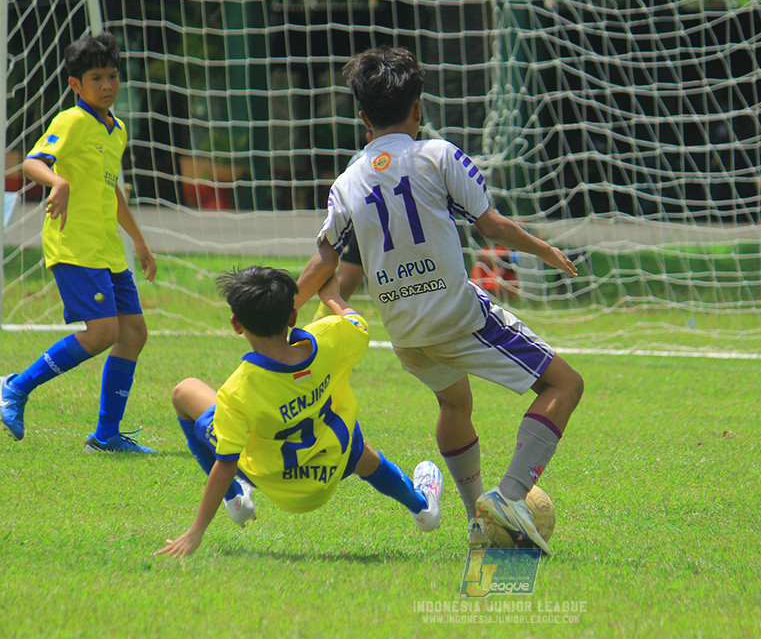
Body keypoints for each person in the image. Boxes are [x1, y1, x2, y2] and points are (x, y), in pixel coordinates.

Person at [296, 46, 584, 555]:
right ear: (418, 109)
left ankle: (478, 520)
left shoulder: (346, 182)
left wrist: (282, 314)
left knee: (455, 401)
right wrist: (545, 249)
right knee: (564, 383)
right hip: (459, 316)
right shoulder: (438, 154)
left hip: (405, 335)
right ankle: (509, 498)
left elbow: (323, 264)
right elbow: (491, 225)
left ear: (362, 118)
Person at [157, 266, 443, 558]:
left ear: (236, 324)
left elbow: (226, 463)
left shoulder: (238, 391)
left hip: (275, 481)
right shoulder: (331, 336)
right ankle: (422, 507)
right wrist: (331, 296)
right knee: (356, 444)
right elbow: (356, 322)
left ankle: (236, 500)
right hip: (335, 464)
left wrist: (197, 531)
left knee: (184, 392)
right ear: (292, 316)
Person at [1, 33, 157, 453]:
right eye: (95, 77)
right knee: (103, 331)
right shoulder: (70, 122)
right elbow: (33, 161)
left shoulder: (116, 128)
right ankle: (15, 387)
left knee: (135, 332)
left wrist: (138, 241)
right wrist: (58, 181)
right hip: (74, 246)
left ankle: (106, 436)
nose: (106, 85)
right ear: (75, 85)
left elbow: (112, 191)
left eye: (112, 76)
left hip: (107, 249)